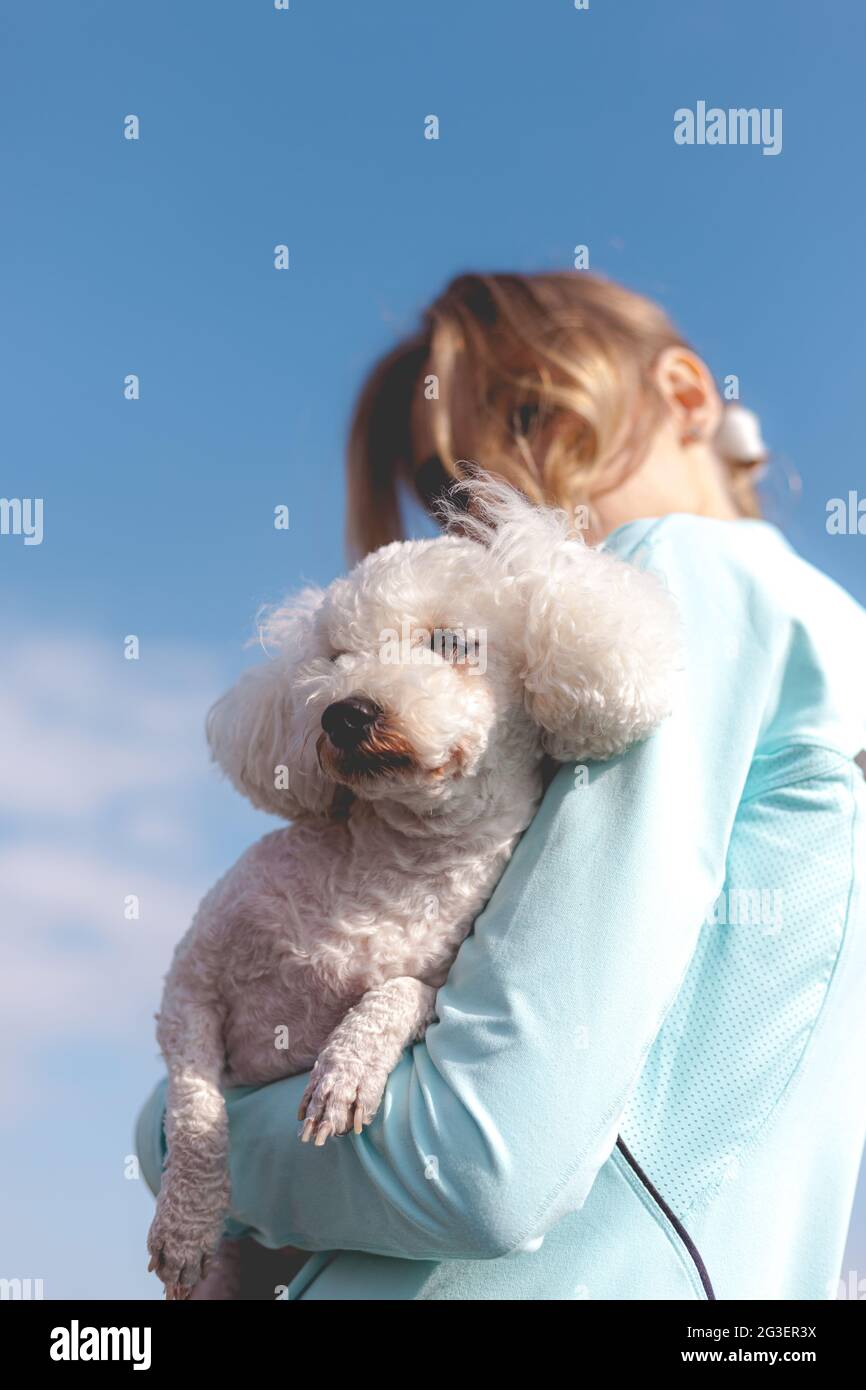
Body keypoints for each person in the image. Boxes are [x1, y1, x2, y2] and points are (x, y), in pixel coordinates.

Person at [137, 272, 866, 1300]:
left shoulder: (682, 578)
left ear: (686, 394)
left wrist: (176, 1140)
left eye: (533, 415)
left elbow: (478, 1161)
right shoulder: (833, 651)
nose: (506, 497)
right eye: (458, 474)